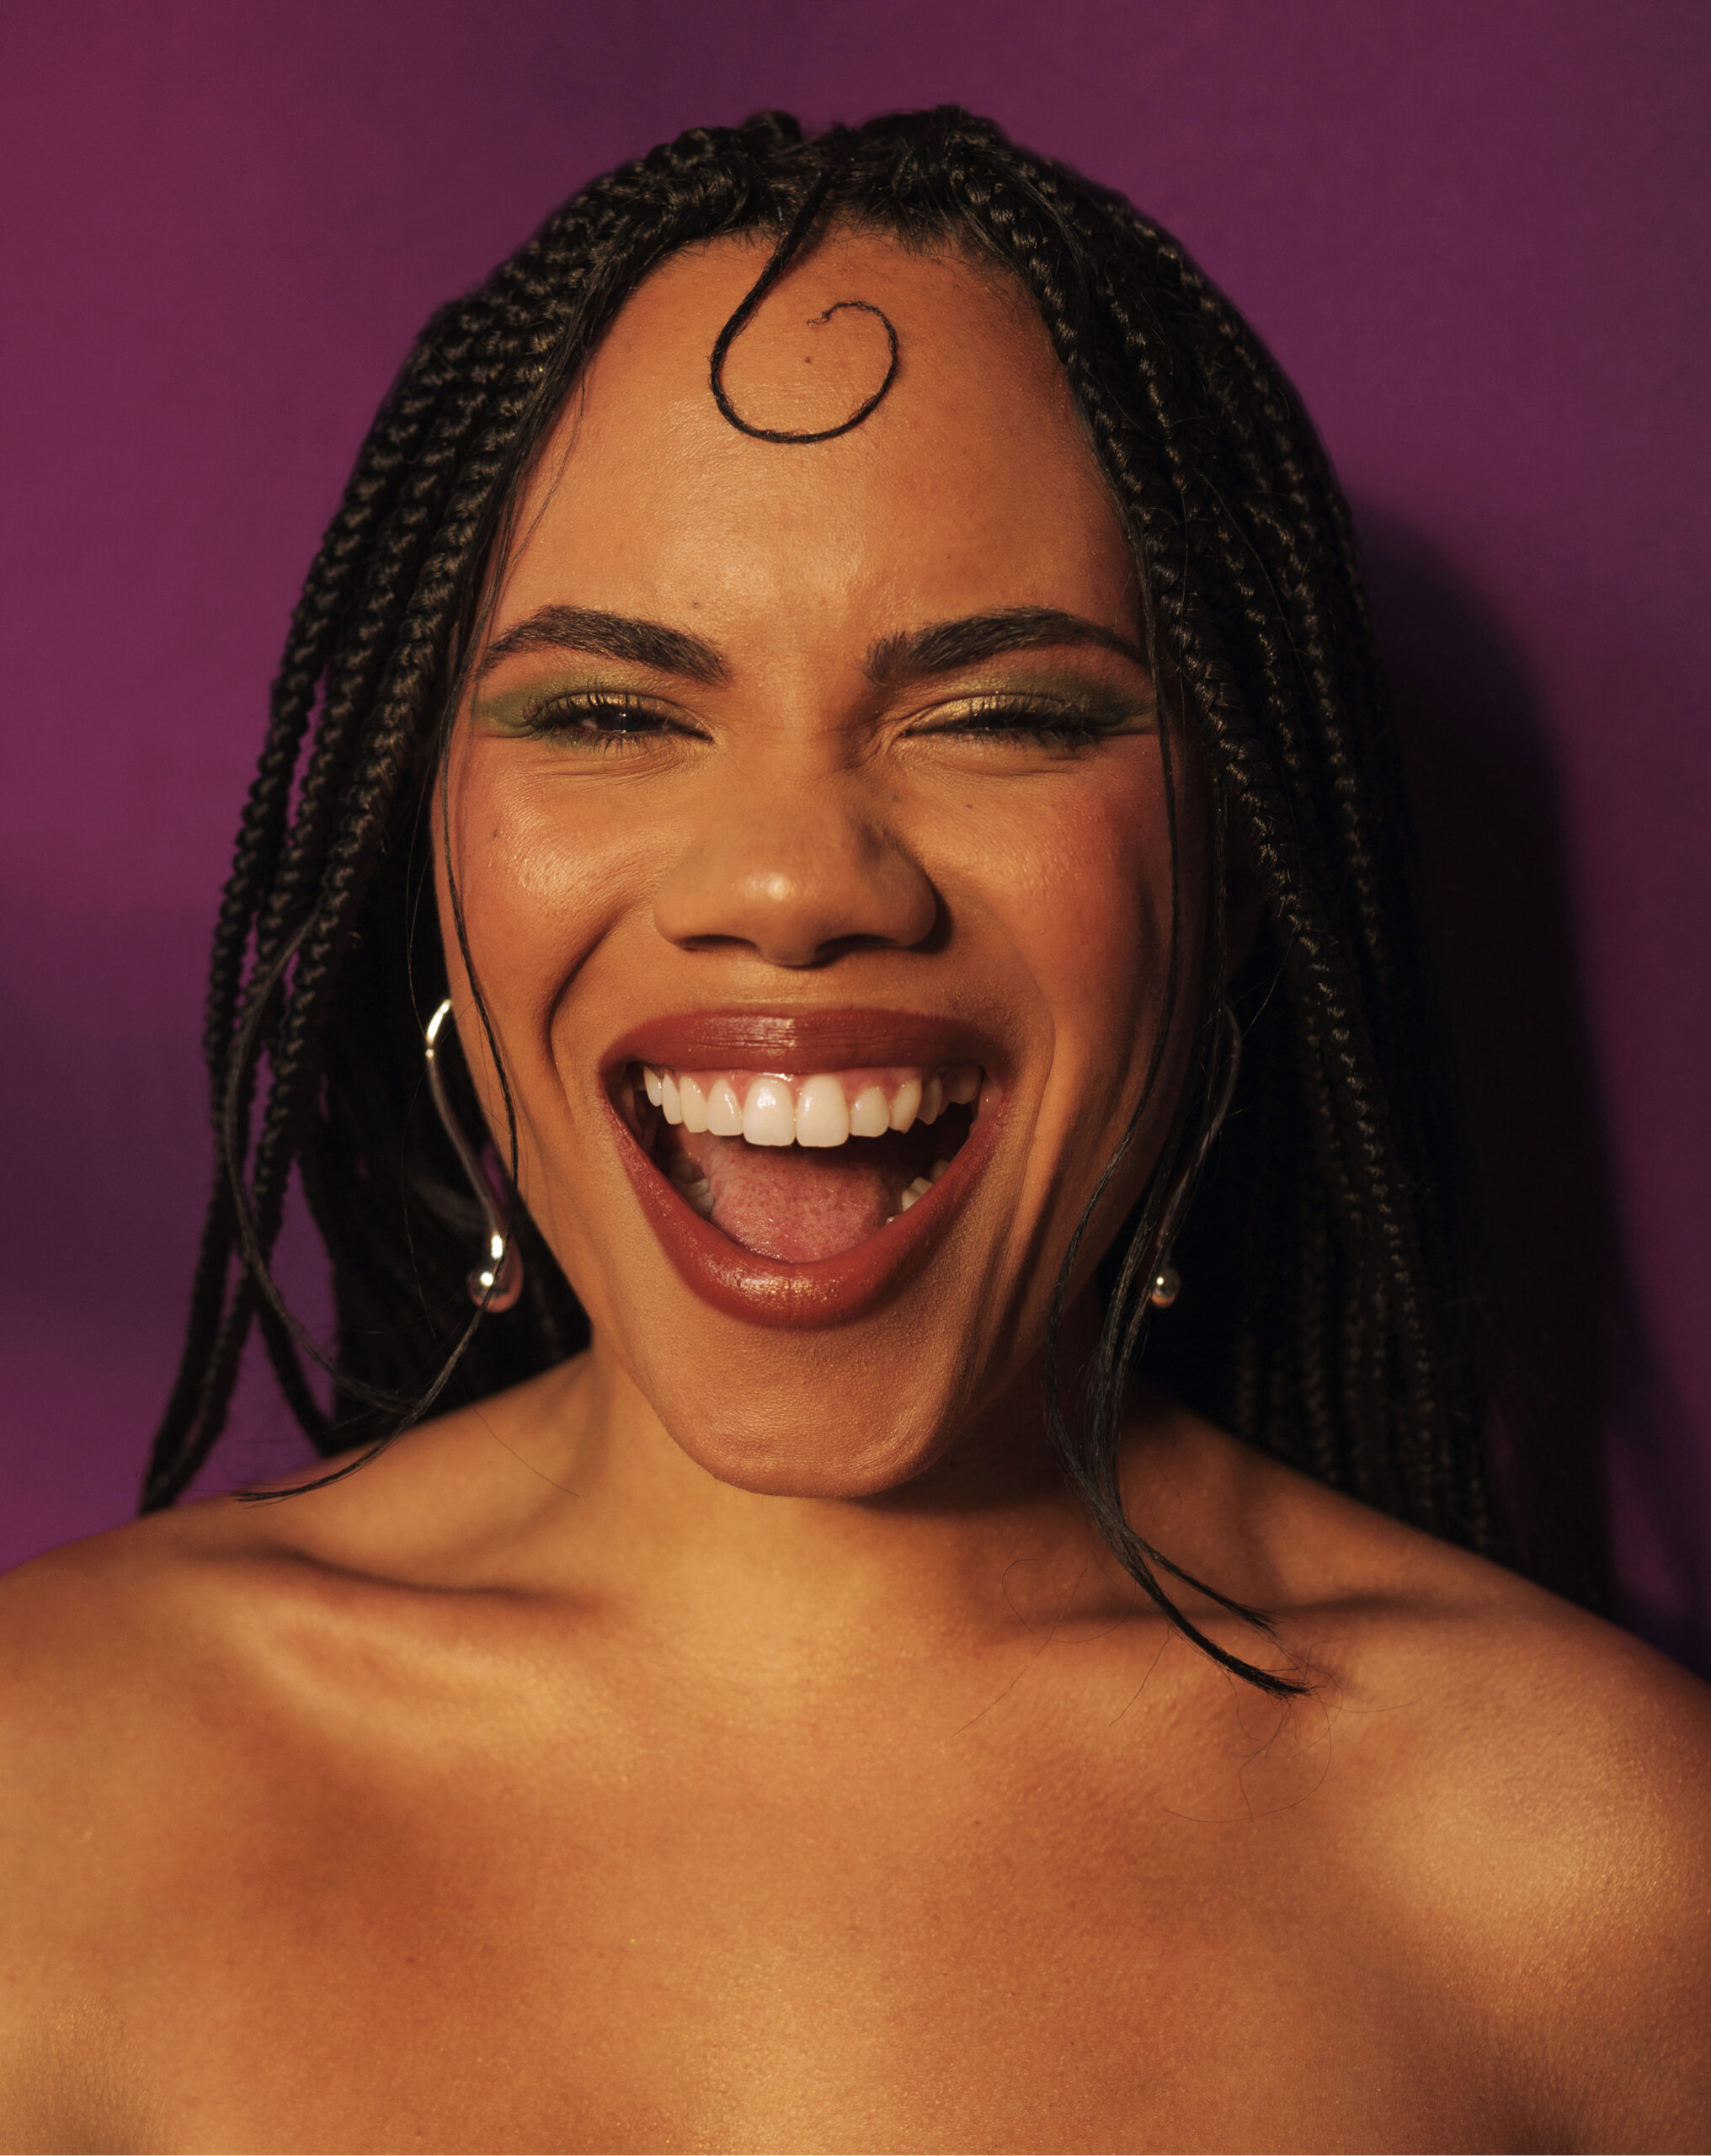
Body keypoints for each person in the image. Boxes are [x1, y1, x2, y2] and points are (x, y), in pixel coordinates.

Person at [2, 106, 1707, 2153]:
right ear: (428, 849)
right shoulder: (47, 1791)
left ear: (1236, 868)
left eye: (1002, 714)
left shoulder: (1605, 1868)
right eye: (609, 712)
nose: (796, 881)